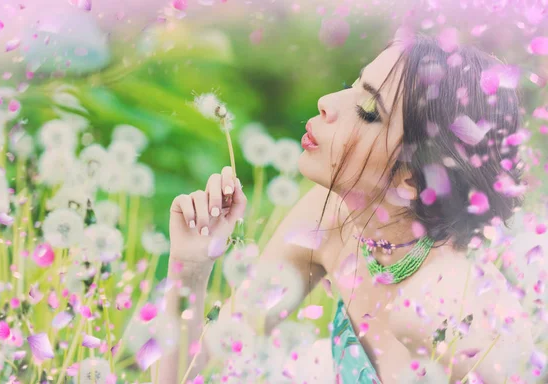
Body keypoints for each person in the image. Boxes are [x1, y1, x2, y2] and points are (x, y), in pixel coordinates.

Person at [161, 32, 537, 383]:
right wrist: (191, 267)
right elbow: (194, 370)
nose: (326, 102)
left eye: (369, 109)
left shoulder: (446, 303)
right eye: (355, 86)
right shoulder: (329, 221)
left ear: (412, 178)